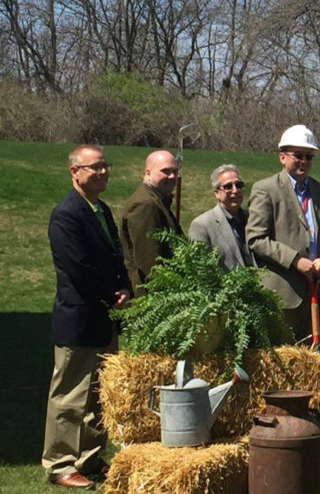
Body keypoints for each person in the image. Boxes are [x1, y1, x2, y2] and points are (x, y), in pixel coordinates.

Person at [42, 145, 132, 489]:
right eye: (94, 167)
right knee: (69, 396)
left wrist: (124, 287)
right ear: (74, 172)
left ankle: (90, 457)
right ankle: (60, 463)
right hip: (79, 318)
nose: (102, 172)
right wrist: (111, 296)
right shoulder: (66, 214)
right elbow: (77, 267)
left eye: (105, 166)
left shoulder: (101, 210)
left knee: (98, 394)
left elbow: (114, 257)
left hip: (104, 317)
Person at [247, 125, 320, 347]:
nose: (304, 161)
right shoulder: (266, 190)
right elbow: (255, 238)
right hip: (283, 295)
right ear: (282, 157)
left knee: (315, 366)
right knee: (284, 369)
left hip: (319, 294)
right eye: (298, 155)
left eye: (309, 156)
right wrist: (296, 261)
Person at [120, 150, 182, 296]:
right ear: (148, 173)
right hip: (151, 296)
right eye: (165, 171)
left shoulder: (157, 200)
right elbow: (149, 260)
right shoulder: (145, 204)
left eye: (175, 171)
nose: (172, 176)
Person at [188, 164, 255, 270]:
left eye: (238, 185)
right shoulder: (202, 225)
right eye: (228, 186)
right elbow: (200, 271)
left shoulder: (252, 219)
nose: (235, 190)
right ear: (217, 193)